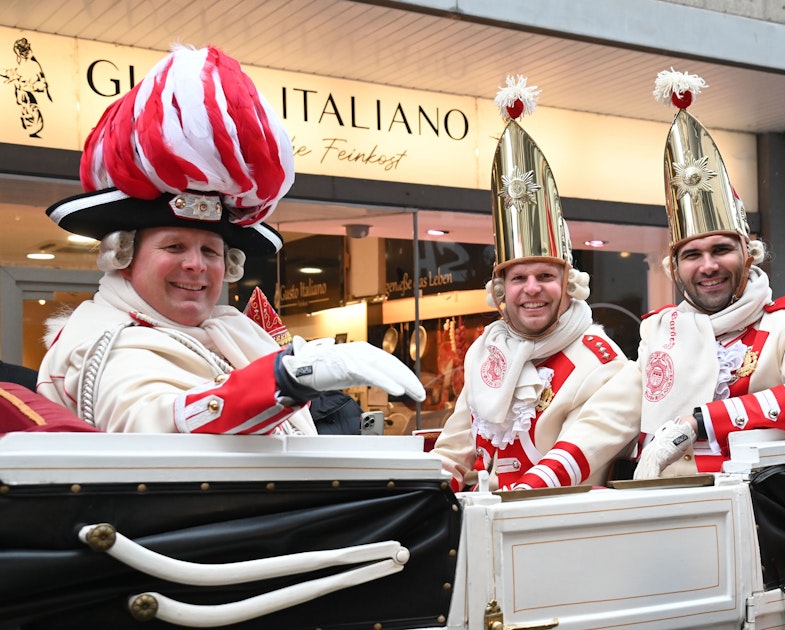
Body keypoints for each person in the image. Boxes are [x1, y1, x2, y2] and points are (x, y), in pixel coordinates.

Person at [37, 46, 424, 434]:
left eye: (210, 250)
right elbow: (155, 423)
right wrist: (285, 380)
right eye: (174, 246)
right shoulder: (106, 342)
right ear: (123, 255)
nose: (196, 264)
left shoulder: (230, 331)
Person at [632, 69, 785, 479]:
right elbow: (622, 414)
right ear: (676, 269)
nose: (708, 266)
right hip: (664, 511)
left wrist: (702, 419)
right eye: (692, 255)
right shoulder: (658, 332)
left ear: (748, 255)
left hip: (757, 518)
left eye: (721, 249)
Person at [430, 76, 639, 492]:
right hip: (482, 523)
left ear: (569, 285)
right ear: (500, 291)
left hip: (558, 531)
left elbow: (573, 457)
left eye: (545, 276)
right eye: (518, 278)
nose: (531, 288)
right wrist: (422, 497)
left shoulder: (604, 363)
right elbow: (453, 452)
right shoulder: (484, 353)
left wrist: (503, 503)